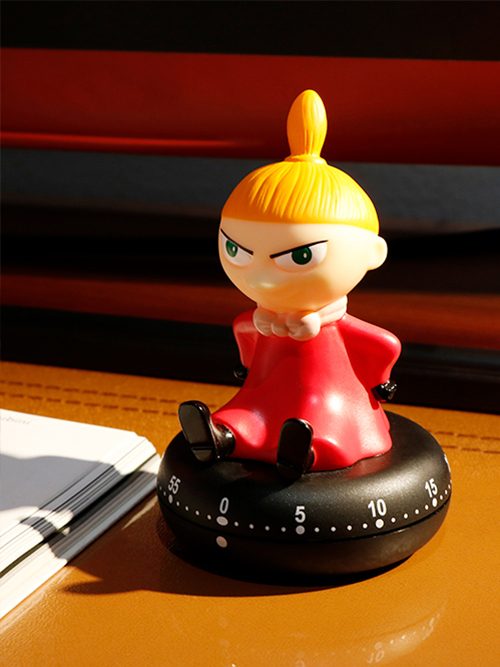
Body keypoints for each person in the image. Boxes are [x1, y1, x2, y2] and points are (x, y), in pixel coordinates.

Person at [179, 90, 400, 479]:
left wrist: (381, 382)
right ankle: (223, 437)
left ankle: (303, 451)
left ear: (374, 253)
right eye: (236, 251)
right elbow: (245, 330)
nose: (262, 278)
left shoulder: (332, 325)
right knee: (248, 412)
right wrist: (247, 364)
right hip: (264, 388)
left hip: (328, 392)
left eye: (299, 257)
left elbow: (381, 343)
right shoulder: (260, 319)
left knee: (323, 419)